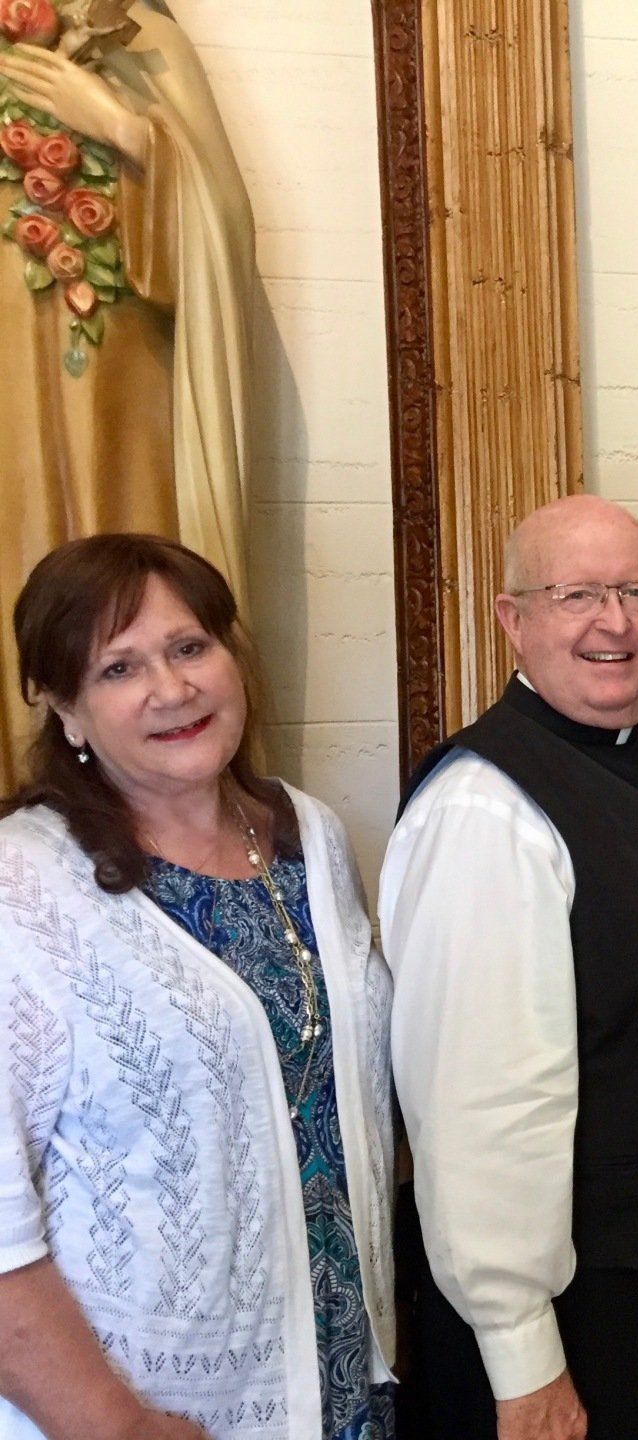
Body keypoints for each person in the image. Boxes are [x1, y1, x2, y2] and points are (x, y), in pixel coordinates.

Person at [381, 495, 638, 1440]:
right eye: (577, 594)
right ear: (511, 619)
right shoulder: (483, 811)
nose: (615, 622)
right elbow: (478, 1106)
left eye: (637, 593)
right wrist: (524, 1357)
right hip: (580, 1323)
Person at [0, 534, 395, 1439]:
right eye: (118, 668)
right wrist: (114, 1425)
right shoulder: (21, 888)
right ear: (65, 709)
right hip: (139, 1417)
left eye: (189, 648)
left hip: (346, 1382)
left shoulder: (310, 838)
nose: (172, 691)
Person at [0, 3, 255, 789]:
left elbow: (221, 236)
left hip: (123, 378)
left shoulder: (139, 35)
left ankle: (163, 784)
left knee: (142, 575)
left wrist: (124, 130)